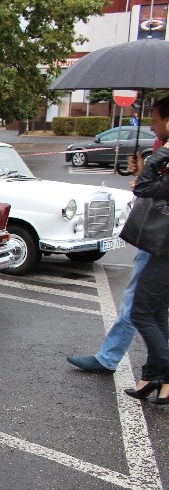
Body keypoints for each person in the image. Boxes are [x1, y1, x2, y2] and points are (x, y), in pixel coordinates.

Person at [124, 96, 169, 405]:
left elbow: (143, 188)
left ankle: (165, 373)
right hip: (162, 247)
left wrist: (161, 153)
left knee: (140, 311)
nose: (151, 126)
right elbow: (151, 186)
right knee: (156, 313)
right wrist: (145, 166)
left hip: (166, 251)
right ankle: (153, 377)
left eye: (154, 120)